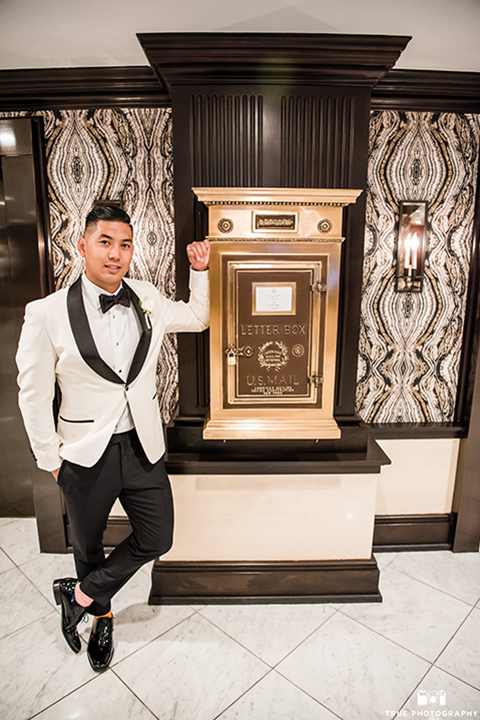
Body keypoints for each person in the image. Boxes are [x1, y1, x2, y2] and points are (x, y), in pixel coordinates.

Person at [16, 204, 210, 671]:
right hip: (84, 453)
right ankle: (101, 617)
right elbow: (32, 393)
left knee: (157, 536)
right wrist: (51, 460)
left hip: (143, 446)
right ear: (81, 245)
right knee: (88, 546)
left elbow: (198, 319)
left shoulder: (147, 297)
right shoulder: (45, 314)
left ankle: (79, 593)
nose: (115, 254)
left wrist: (199, 271)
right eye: (105, 242)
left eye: (125, 244)